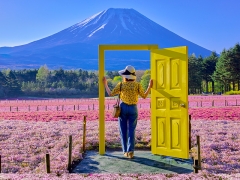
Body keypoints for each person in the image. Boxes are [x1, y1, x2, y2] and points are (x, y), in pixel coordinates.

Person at [103, 65, 153, 159]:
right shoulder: (137, 85)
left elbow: (110, 93)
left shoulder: (121, 84)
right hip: (133, 108)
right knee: (131, 130)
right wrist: (150, 86)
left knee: (123, 130)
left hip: (123, 108)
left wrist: (105, 84)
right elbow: (144, 96)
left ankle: (125, 151)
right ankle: (131, 152)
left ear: (125, 76)